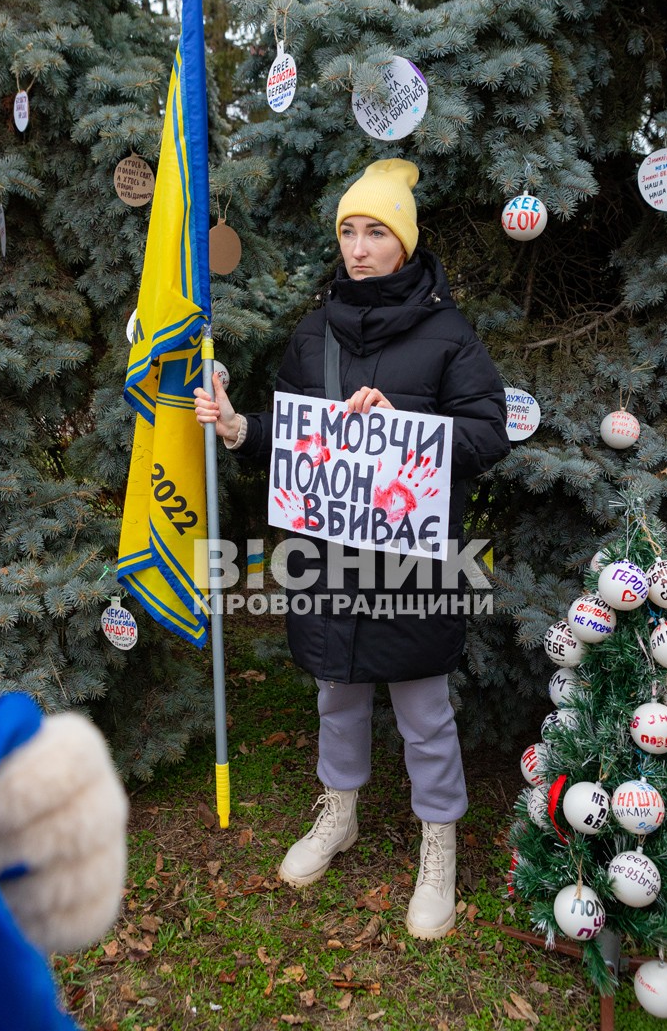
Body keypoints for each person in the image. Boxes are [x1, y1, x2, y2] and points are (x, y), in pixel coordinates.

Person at [194, 158, 510, 939]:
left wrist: (398, 422)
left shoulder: (447, 335)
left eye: (375, 232)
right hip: (330, 551)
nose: (359, 248)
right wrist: (241, 430)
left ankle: (439, 841)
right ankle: (339, 814)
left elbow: (487, 433)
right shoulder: (315, 331)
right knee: (336, 689)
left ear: (404, 243)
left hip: (411, 561)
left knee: (422, 708)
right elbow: (296, 433)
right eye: (348, 232)